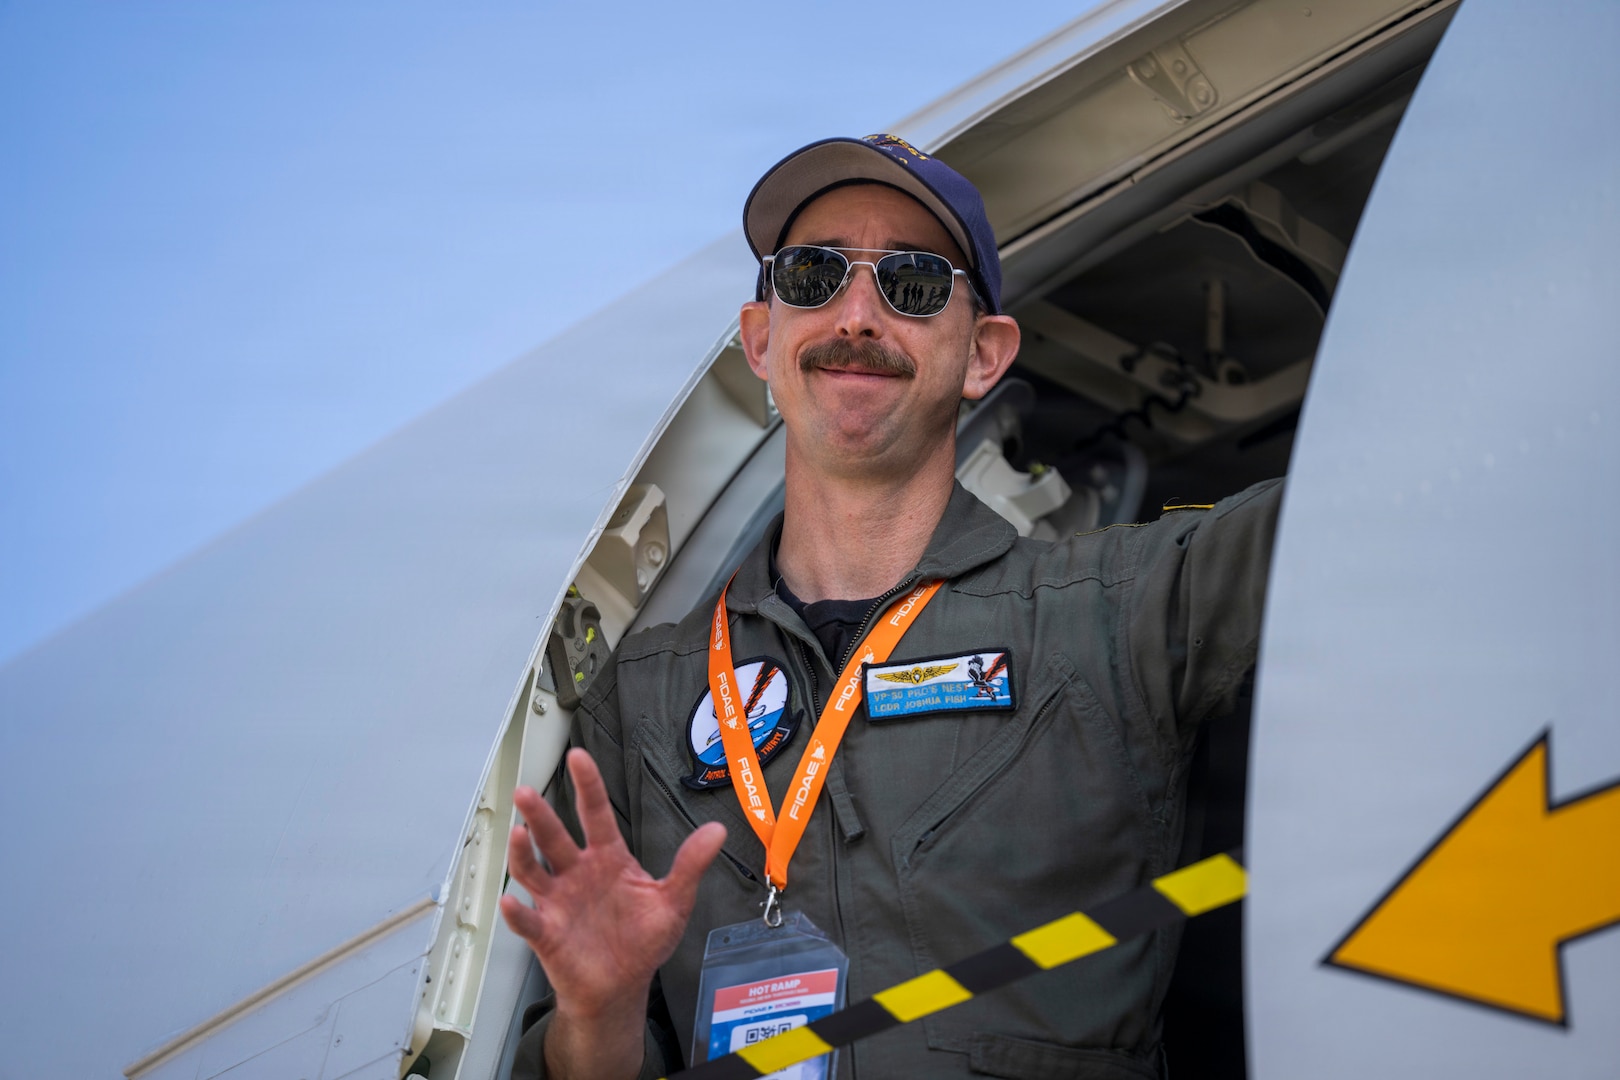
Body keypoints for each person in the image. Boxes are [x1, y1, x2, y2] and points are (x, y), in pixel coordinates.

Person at [501, 134, 1281, 1079]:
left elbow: (1368, 497)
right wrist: (601, 1006)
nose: (857, 313)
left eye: (911, 284)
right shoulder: (644, 693)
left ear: (984, 355)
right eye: (814, 275)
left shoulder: (1112, 612)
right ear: (761, 337)